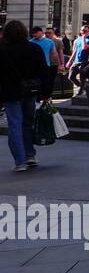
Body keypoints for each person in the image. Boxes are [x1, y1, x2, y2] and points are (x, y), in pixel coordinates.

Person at [1, 21, 45, 172]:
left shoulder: (3, 49)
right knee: (27, 122)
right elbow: (43, 71)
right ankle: (30, 154)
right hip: (30, 90)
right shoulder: (34, 48)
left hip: (10, 91)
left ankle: (20, 161)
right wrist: (45, 93)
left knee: (15, 124)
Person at [29, 25, 61, 103]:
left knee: (46, 84)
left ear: (41, 32)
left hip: (46, 66)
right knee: (35, 85)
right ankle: (37, 100)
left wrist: (59, 64)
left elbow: (54, 54)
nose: (34, 35)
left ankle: (45, 100)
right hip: (34, 68)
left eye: (36, 33)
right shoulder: (31, 42)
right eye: (33, 33)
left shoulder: (49, 42)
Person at [67, 25, 89, 92]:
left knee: (82, 77)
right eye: (83, 31)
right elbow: (74, 51)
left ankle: (81, 90)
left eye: (86, 31)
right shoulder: (77, 40)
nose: (84, 32)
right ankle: (83, 87)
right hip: (76, 61)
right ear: (80, 31)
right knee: (71, 76)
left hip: (85, 61)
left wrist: (84, 38)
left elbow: (84, 47)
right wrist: (70, 61)